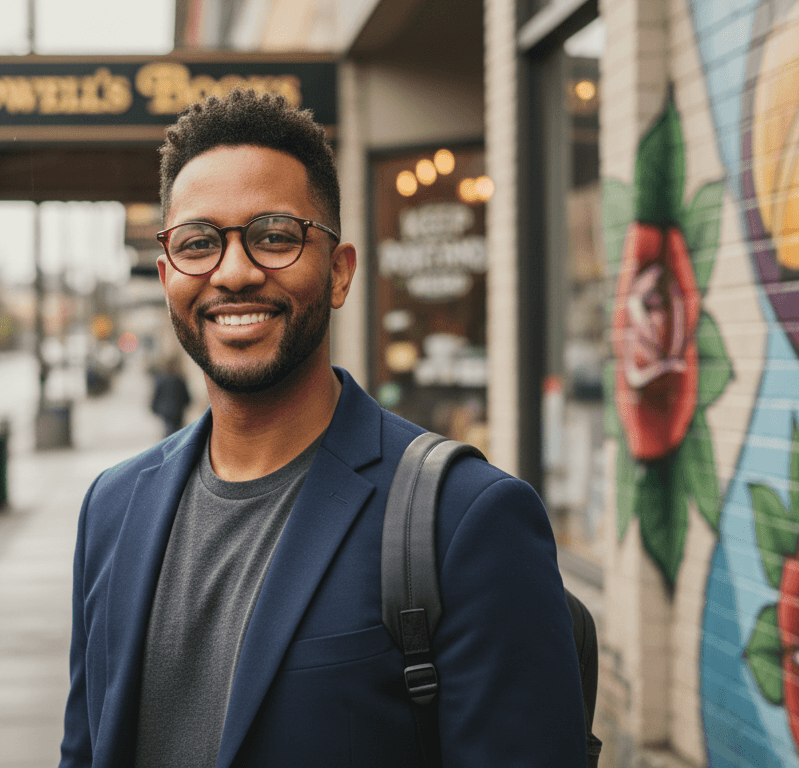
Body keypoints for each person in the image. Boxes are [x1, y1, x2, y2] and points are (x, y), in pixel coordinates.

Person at [59, 90, 584, 767]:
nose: (235, 271)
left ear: (338, 273)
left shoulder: (466, 519)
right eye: (198, 243)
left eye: (274, 236)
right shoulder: (111, 509)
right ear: (167, 277)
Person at [149, 356, 191, 437]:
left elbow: (156, 395)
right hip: (177, 411)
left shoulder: (162, 379)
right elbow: (187, 397)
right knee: (177, 432)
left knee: (168, 431)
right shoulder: (180, 380)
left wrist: (155, 408)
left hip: (166, 412)